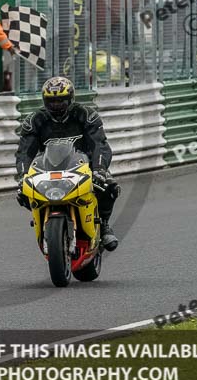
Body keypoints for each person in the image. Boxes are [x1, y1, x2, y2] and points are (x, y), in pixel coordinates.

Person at [15, 76, 120, 251]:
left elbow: (99, 144)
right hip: (47, 168)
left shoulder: (86, 115)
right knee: (22, 193)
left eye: (60, 101)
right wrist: (22, 175)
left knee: (109, 186)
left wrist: (99, 169)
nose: (56, 105)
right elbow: (24, 151)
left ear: (70, 98)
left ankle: (104, 224)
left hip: (83, 167)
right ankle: (43, 224)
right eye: (51, 101)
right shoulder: (35, 120)